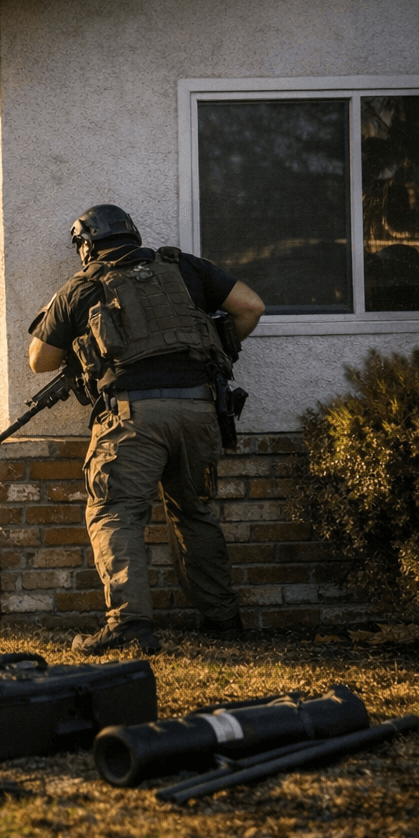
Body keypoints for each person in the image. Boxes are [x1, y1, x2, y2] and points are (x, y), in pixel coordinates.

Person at [28, 204, 265, 656]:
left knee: (115, 513)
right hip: (200, 412)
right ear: (132, 235)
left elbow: (40, 360)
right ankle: (223, 620)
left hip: (133, 417)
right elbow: (252, 307)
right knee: (193, 511)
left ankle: (130, 624)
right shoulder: (185, 267)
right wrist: (220, 344)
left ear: (85, 245)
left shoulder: (82, 286)